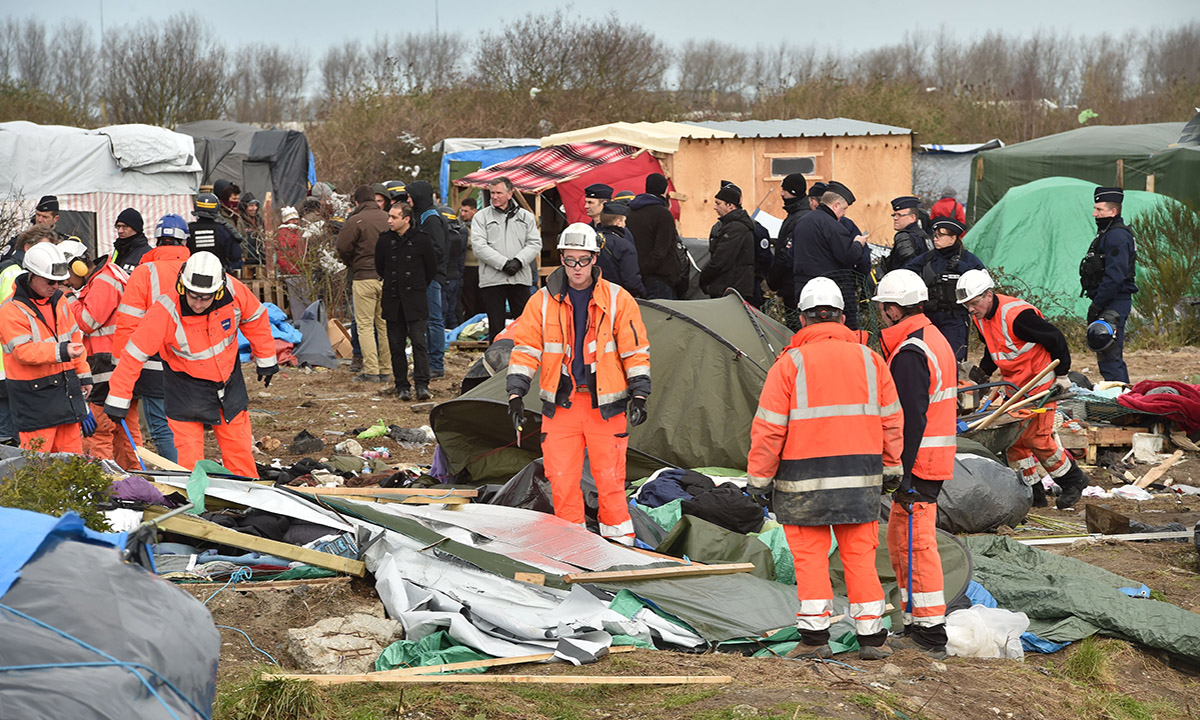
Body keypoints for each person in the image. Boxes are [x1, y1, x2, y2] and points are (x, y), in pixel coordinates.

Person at [747, 276, 903, 661]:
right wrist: (892, 466)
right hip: (860, 480)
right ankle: (871, 638)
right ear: (843, 317)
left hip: (803, 484)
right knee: (860, 557)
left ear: (801, 320)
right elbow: (891, 420)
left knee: (810, 559)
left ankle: (815, 639)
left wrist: (759, 479)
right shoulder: (871, 360)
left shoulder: (789, 364)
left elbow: (768, 428)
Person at [507, 222, 650, 545]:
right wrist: (516, 393)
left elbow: (635, 349)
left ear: (595, 259)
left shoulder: (618, 299)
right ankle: (572, 547)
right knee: (562, 481)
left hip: (606, 408)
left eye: (583, 260)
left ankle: (620, 548)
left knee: (611, 480)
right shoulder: (541, 301)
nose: (576, 268)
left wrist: (640, 393)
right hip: (562, 406)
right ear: (561, 259)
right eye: (570, 260)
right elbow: (526, 349)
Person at [104, 252, 277, 477]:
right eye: (193, 295)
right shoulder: (166, 310)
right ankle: (194, 506)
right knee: (189, 462)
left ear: (219, 290)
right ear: (182, 286)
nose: (197, 303)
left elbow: (255, 318)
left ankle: (248, 499)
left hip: (228, 384)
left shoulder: (234, 291)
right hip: (185, 389)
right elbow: (134, 355)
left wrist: (266, 359)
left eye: (205, 298)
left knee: (239, 452)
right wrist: (118, 398)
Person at [872, 270, 956, 660]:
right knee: (904, 541)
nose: (879, 316)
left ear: (893, 309)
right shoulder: (930, 338)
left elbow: (910, 417)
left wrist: (899, 471)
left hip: (919, 463)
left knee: (915, 545)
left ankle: (930, 629)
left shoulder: (910, 352)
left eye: (882, 308)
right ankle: (918, 620)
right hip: (930, 459)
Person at [957, 269, 1088, 509]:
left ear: (988, 295)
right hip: (1013, 384)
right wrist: (982, 376)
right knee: (1014, 439)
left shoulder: (1017, 315)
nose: (971, 309)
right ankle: (1032, 490)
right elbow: (993, 349)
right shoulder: (981, 317)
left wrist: (1062, 375)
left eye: (974, 303)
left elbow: (1056, 338)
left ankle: (1073, 481)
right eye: (967, 305)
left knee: (1035, 437)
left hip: (1040, 382)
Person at [113, 214, 193, 464]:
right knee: (188, 426)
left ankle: (179, 478)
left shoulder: (145, 271)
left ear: (158, 240)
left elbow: (128, 322)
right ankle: (193, 474)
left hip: (154, 363)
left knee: (160, 427)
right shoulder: (196, 268)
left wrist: (121, 366)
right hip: (194, 362)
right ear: (184, 241)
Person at [0, 243, 92, 452]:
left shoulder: (59, 301)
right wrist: (61, 352)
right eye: (51, 281)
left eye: (59, 281)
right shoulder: (11, 310)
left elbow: (74, 339)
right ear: (32, 275)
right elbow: (23, 351)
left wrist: (84, 375)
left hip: (65, 393)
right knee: (38, 469)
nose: (55, 286)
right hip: (34, 400)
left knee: (71, 464)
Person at [60, 239, 143, 470]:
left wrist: (67, 297)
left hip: (105, 365)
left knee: (98, 430)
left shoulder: (103, 281)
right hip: (115, 363)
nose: (66, 281)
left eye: (67, 273)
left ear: (79, 266)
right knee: (123, 429)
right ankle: (132, 477)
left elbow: (87, 322)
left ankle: (103, 480)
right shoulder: (105, 277)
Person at [0, 226, 58, 445]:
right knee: (11, 437)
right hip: (12, 364)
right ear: (28, 248)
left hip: (11, 362)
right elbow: (15, 320)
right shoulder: (18, 275)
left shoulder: (9, 269)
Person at [376, 203, 437, 401]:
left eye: (394, 217)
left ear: (406, 219)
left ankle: (422, 384)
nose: (389, 220)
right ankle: (401, 385)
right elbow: (380, 267)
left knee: (420, 343)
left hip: (416, 299)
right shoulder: (385, 240)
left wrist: (416, 285)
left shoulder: (422, 240)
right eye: (389, 217)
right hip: (393, 300)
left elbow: (431, 268)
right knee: (396, 345)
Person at [470, 177, 542, 343]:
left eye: (498, 193)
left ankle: (524, 359)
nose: (494, 196)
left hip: (519, 278)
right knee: (496, 326)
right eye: (492, 193)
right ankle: (495, 362)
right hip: (493, 280)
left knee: (524, 324)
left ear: (510, 194)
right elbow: (479, 246)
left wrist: (518, 261)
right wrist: (503, 263)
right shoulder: (481, 217)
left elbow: (535, 243)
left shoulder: (526, 217)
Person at [904, 217, 986, 361]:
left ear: (953, 238)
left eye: (940, 235)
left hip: (955, 318)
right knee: (928, 357)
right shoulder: (928, 258)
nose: (935, 239)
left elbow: (984, 282)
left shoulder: (967, 259)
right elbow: (905, 274)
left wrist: (962, 269)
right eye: (934, 235)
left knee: (953, 359)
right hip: (929, 317)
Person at [792, 181, 870, 329]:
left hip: (804, 291)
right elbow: (848, 256)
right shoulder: (833, 225)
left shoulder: (802, 222)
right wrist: (858, 243)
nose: (844, 214)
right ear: (835, 206)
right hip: (831, 293)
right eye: (844, 209)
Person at [1080, 186, 1138, 383]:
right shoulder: (1107, 233)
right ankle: (1119, 398)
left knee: (1109, 352)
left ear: (1113, 211)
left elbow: (1116, 276)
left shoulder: (1117, 236)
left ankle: (1121, 403)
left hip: (1114, 301)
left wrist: (1098, 304)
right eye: (1095, 209)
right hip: (1108, 300)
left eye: (1099, 210)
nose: (1095, 214)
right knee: (1106, 355)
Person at [337, 184, 391, 383]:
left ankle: (371, 370)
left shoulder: (355, 220)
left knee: (365, 326)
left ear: (357, 202)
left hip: (364, 277)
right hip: (387, 279)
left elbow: (342, 247)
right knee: (384, 325)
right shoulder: (388, 218)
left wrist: (352, 263)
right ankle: (386, 369)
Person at [407, 181, 448, 379]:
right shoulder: (421, 215)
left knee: (434, 320)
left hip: (431, 277)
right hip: (424, 276)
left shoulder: (430, 219)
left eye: (410, 197)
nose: (408, 201)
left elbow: (437, 250)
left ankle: (436, 364)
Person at [626, 173, 680, 300]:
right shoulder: (663, 214)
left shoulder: (631, 211)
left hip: (636, 275)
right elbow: (661, 251)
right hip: (659, 277)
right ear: (664, 190)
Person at [699, 182, 754, 299]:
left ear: (730, 206)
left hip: (730, 290)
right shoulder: (729, 226)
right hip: (730, 288)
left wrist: (704, 279)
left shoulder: (735, 228)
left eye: (718, 204)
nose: (715, 207)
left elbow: (720, 260)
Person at [767, 173, 810, 309]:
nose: (781, 194)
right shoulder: (798, 214)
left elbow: (786, 255)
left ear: (793, 192)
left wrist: (773, 280)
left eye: (784, 190)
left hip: (793, 285)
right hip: (797, 283)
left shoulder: (798, 217)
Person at [594, 202, 645, 298]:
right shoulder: (625, 246)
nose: (625, 224)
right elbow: (631, 281)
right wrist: (642, 294)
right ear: (618, 222)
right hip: (618, 297)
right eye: (624, 221)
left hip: (595, 294)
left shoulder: (591, 241)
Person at [189, 192, 244, 270]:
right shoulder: (224, 230)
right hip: (218, 274)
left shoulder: (188, 230)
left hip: (192, 273)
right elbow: (235, 256)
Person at [440, 205, 468, 328]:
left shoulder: (444, 238)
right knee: (452, 311)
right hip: (455, 277)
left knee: (442, 313)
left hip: (444, 278)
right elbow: (461, 259)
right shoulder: (460, 235)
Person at [886, 196, 932, 272]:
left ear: (912, 218)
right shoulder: (923, 234)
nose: (895, 218)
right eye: (894, 215)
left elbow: (907, 268)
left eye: (899, 215)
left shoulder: (904, 236)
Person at [458, 198, 483, 321]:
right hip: (466, 266)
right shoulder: (459, 226)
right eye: (461, 211)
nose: (463, 214)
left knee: (481, 298)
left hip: (480, 266)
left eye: (466, 211)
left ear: (474, 210)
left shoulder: (482, 224)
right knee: (468, 299)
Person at [112, 208, 151, 274]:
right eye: (118, 226)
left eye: (124, 226)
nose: (120, 231)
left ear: (136, 228)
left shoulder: (148, 254)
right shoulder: (119, 249)